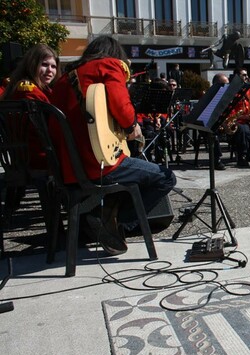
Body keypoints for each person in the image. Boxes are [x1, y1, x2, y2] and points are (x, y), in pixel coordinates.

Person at [50, 35, 176, 256]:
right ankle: (110, 220)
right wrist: (131, 126)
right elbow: (121, 104)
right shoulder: (108, 65)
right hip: (98, 164)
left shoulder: (62, 80)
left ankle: (104, 215)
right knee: (165, 178)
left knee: (133, 176)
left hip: (69, 169)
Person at [0, 44, 60, 169]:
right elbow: (49, 128)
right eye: (44, 65)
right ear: (32, 65)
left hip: (30, 155)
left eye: (53, 66)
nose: (50, 70)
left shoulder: (40, 89)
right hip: (40, 155)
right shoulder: (28, 91)